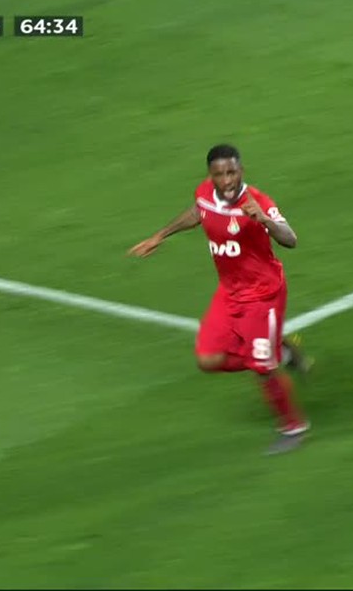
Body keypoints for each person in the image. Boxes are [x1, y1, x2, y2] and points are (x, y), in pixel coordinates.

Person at [129, 143, 312, 453]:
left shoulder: (258, 201)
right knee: (207, 360)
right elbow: (198, 212)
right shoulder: (204, 193)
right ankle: (280, 351)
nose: (227, 180)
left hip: (263, 295)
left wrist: (264, 220)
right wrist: (160, 235)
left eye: (232, 172)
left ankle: (293, 426)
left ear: (241, 170)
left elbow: (290, 239)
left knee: (262, 368)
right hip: (229, 292)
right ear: (210, 176)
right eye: (219, 174)